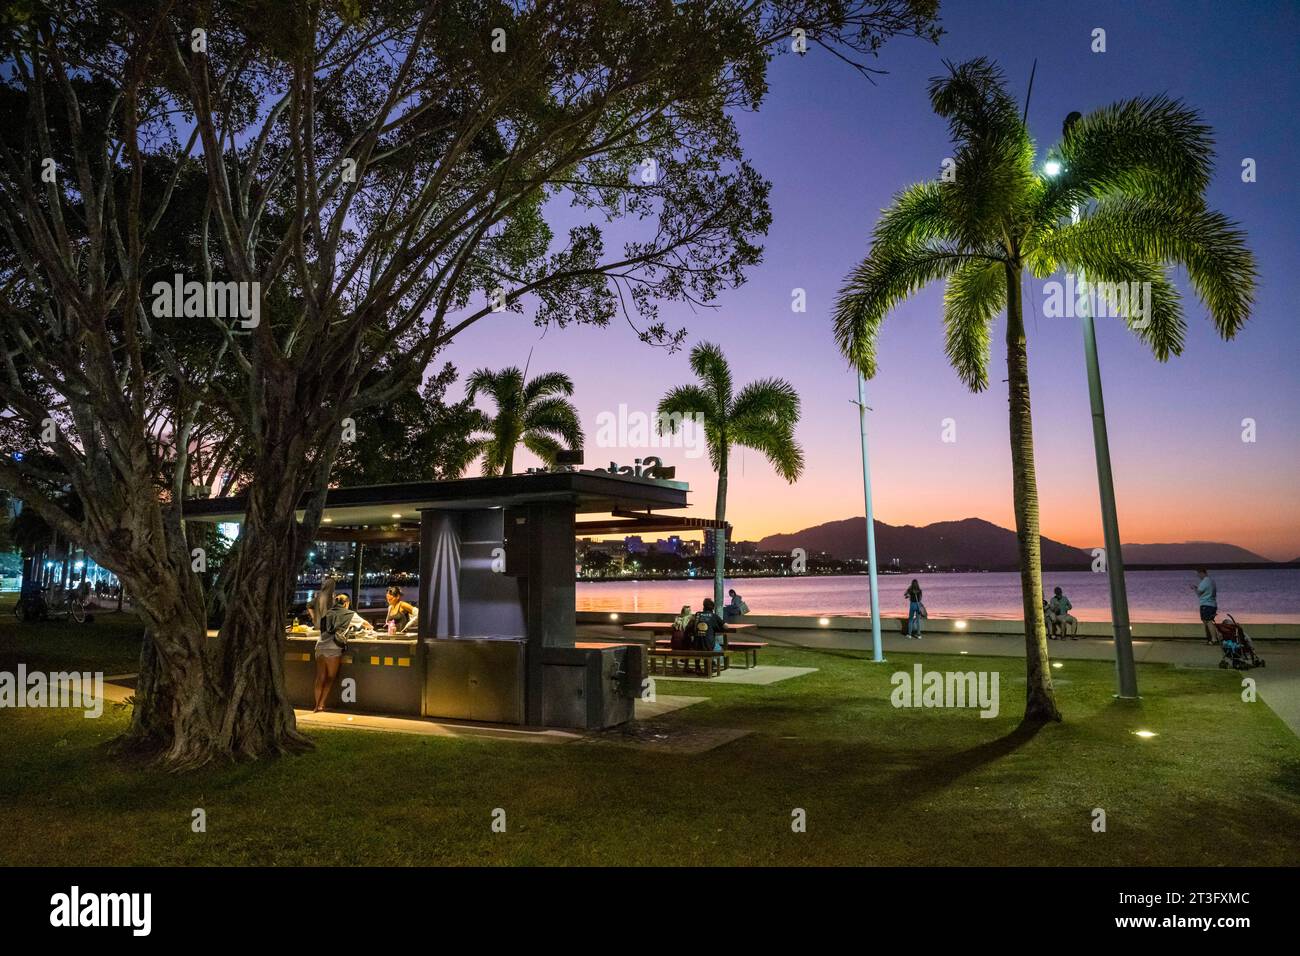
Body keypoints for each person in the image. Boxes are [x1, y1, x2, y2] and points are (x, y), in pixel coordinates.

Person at [312, 593, 371, 712]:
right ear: (346, 603)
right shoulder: (350, 614)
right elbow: (367, 625)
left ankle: (315, 705)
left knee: (320, 677)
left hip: (320, 646)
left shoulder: (327, 613)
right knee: (330, 677)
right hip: (334, 648)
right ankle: (321, 704)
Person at [1190, 568, 1218, 644]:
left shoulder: (1205, 581)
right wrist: (1197, 588)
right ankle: (1210, 639)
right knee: (1207, 621)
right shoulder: (1211, 581)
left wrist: (1194, 588)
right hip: (1212, 604)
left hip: (1206, 604)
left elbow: (1199, 592)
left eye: (1198, 574)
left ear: (1201, 573)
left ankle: (1214, 639)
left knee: (1208, 621)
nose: (1198, 576)